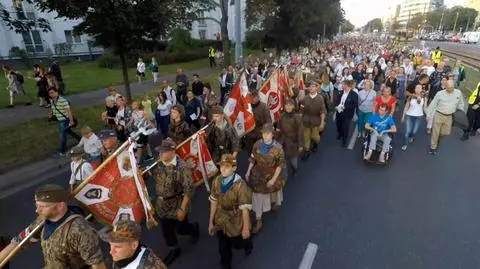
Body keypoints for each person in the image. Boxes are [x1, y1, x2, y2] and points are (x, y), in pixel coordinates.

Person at [0, 184, 106, 269]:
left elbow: (97, 263)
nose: (37, 210)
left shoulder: (80, 230)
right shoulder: (42, 220)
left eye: (43, 206)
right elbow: (20, 241)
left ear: (60, 206)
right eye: (37, 206)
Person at [151, 138, 200, 265]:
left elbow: (189, 189)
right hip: (162, 204)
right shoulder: (159, 162)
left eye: (163, 152)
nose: (160, 154)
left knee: (181, 229)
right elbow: (152, 173)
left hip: (177, 203)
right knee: (166, 229)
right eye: (160, 152)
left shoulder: (182, 167)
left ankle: (194, 228)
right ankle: (174, 249)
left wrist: (183, 208)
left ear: (172, 151)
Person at [208, 154, 252, 269]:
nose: (223, 168)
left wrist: (246, 228)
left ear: (234, 168)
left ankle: (247, 243)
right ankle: (226, 264)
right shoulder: (217, 181)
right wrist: (211, 222)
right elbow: (214, 201)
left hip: (235, 219)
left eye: (227, 166)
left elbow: (245, 209)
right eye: (221, 165)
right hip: (221, 217)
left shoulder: (240, 186)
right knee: (223, 245)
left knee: (238, 243)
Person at [246, 123, 285, 234]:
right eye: (263, 133)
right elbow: (253, 158)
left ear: (272, 134)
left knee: (272, 192)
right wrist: (248, 171)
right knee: (257, 197)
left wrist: (273, 180)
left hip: (271, 175)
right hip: (258, 175)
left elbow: (280, 165)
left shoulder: (278, 148)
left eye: (267, 133)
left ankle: (273, 203)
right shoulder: (257, 144)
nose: (265, 135)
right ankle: (259, 220)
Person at [426, 80, 465, 155]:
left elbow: (461, 103)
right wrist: (428, 114)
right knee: (435, 133)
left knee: (446, 133)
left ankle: (437, 140)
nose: (451, 89)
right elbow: (433, 104)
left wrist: (461, 112)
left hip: (449, 117)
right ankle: (433, 148)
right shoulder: (440, 94)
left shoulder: (458, 93)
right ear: (445, 86)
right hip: (439, 115)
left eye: (452, 87)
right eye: (449, 87)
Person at [48, 87, 81, 156]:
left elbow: (69, 111)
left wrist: (71, 120)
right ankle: (80, 139)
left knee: (62, 136)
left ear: (56, 92)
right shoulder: (52, 100)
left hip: (64, 120)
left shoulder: (63, 100)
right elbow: (53, 107)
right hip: (60, 119)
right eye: (50, 93)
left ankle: (62, 151)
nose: (51, 94)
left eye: (52, 92)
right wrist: (51, 114)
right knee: (68, 131)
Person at [299, 80, 326, 159]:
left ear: (316, 88)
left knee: (315, 137)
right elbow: (301, 110)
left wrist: (322, 122)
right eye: (310, 87)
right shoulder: (305, 98)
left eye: (313, 87)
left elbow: (323, 111)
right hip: (306, 121)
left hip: (316, 121)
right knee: (306, 136)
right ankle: (306, 151)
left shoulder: (320, 98)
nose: (311, 88)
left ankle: (315, 143)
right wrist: (300, 120)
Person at [277, 99, 304, 177]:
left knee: (293, 161)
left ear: (293, 106)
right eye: (286, 105)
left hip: (293, 142)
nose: (288, 107)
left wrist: (300, 145)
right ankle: (284, 176)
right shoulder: (282, 115)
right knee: (282, 160)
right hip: (283, 141)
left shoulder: (297, 117)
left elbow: (300, 131)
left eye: (290, 105)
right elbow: (279, 128)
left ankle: (295, 169)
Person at [401, 84, 427, 150]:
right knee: (407, 132)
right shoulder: (410, 97)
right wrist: (403, 116)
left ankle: (411, 136)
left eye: (419, 88)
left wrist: (427, 115)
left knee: (414, 131)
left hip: (419, 116)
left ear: (421, 89)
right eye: (416, 88)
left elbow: (425, 107)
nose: (417, 89)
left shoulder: (424, 97)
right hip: (409, 115)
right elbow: (406, 107)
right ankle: (405, 144)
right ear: (414, 89)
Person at [334, 80, 358, 147]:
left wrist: (345, 107)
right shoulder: (340, 92)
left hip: (347, 114)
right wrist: (336, 106)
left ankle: (344, 141)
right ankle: (340, 134)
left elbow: (354, 104)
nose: (342, 86)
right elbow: (337, 101)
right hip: (339, 112)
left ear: (347, 86)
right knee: (338, 124)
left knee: (345, 127)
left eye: (343, 85)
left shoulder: (354, 94)